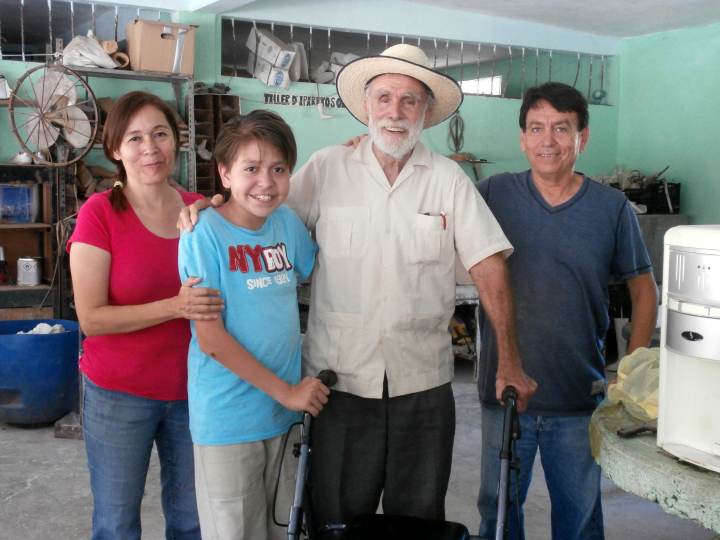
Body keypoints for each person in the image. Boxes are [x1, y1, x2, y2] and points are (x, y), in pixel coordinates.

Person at [180, 44, 536, 528]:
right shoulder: (327, 167)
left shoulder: (450, 180)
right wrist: (214, 203)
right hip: (337, 385)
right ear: (366, 105)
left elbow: (489, 265)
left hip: (423, 385)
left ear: (426, 111)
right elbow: (264, 206)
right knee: (336, 520)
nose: (395, 111)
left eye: (410, 100)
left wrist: (510, 360)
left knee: (419, 522)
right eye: (384, 97)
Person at [475, 82, 659, 540]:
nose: (548, 141)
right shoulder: (491, 195)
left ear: (584, 137)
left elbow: (644, 290)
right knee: (498, 514)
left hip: (580, 401)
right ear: (522, 138)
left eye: (562, 128)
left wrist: (631, 368)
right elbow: (426, 204)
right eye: (536, 128)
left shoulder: (612, 208)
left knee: (579, 519)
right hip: (504, 397)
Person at [68, 90, 224, 540]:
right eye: (135, 138)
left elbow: (264, 193)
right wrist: (175, 307)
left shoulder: (201, 211)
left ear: (176, 141)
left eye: (160, 134)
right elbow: (92, 319)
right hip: (119, 394)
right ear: (115, 150)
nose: (150, 148)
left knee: (194, 521)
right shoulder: (99, 214)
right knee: (116, 524)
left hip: (194, 390)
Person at [177, 110, 330, 540]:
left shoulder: (285, 224)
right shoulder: (202, 235)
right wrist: (289, 392)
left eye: (278, 169)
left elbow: (315, 270)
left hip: (282, 418)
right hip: (230, 420)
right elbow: (210, 339)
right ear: (224, 173)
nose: (266, 181)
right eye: (250, 168)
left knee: (283, 529)